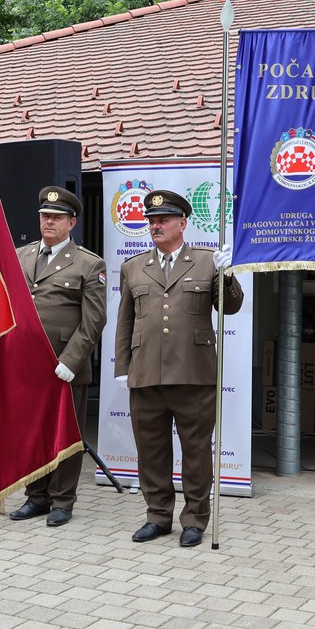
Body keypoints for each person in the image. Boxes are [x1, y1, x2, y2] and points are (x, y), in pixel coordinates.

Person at [113, 190, 243, 547]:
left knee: (197, 452)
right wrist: (123, 367)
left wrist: (227, 275)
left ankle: (195, 520)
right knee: (151, 452)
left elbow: (229, 307)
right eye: (151, 221)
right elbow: (125, 322)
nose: (155, 226)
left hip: (194, 374)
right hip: (146, 374)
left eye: (163, 220)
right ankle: (158, 516)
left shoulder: (205, 262)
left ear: (182, 224)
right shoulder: (133, 266)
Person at [8, 186, 108, 527]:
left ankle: (63, 501)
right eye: (44, 216)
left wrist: (71, 360)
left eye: (56, 217)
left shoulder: (89, 264)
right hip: (26, 365)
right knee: (30, 432)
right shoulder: (20, 256)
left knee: (67, 434)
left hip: (64, 365)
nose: (48, 221)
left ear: (71, 223)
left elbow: (94, 320)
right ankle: (36, 496)